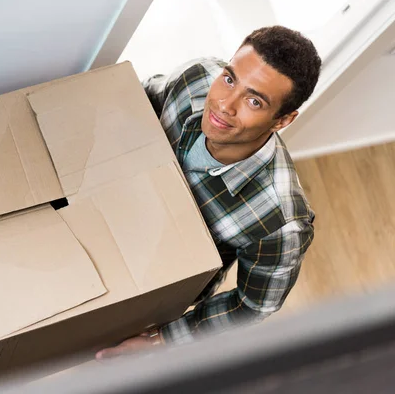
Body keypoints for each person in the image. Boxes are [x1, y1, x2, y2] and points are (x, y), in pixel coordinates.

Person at [96, 25, 321, 359]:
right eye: (230, 79)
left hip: (148, 289)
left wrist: (163, 339)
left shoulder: (280, 222)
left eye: (254, 100)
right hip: (105, 213)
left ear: (282, 120)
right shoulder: (196, 79)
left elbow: (253, 305)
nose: (224, 105)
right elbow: (142, 99)